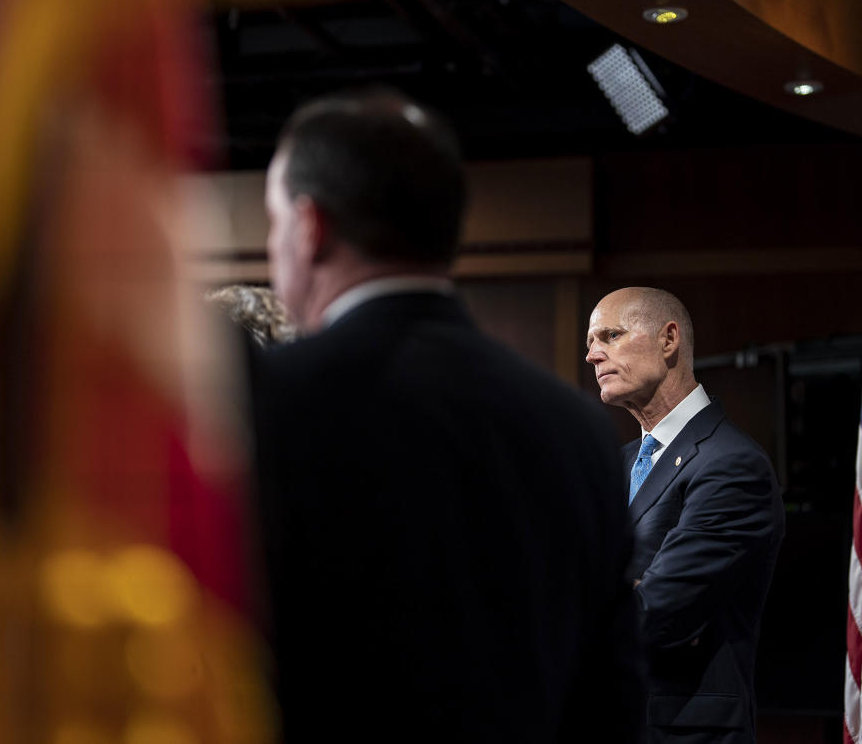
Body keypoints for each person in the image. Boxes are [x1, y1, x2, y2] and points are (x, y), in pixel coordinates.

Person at [251, 87, 641, 743]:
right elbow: (612, 703)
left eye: (272, 223)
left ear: (311, 229)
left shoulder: (259, 406)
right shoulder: (576, 428)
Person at [585, 287, 785, 744]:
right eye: (590, 344)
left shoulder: (733, 465)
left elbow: (653, 616)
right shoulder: (614, 465)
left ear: (668, 339)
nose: (594, 355)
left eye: (610, 336)